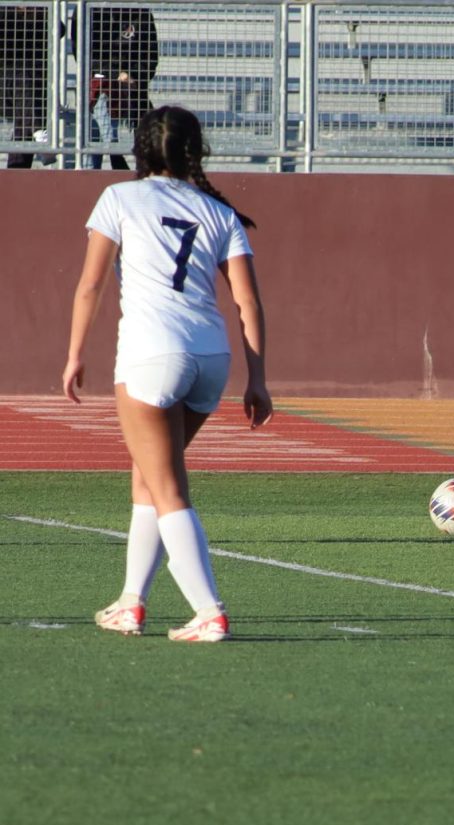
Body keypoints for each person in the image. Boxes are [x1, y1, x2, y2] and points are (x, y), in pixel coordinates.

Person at [62, 106, 271, 642]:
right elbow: (248, 303)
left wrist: (75, 354)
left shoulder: (119, 198)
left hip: (152, 356)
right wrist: (257, 379)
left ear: (141, 150)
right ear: (195, 152)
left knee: (169, 488)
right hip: (210, 361)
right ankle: (132, 601)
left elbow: (90, 285)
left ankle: (209, 611)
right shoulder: (218, 211)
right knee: (148, 479)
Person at [70, 5, 159, 170]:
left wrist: (133, 75)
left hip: (133, 85)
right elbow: (83, 54)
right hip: (99, 85)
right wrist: (114, 73)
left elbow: (150, 55)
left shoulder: (140, 12)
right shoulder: (86, 9)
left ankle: (145, 170)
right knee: (98, 128)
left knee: (148, 127)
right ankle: (99, 168)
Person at [1, 5, 52, 169]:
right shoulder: (5, 13)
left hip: (31, 90)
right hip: (5, 83)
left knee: (25, 112)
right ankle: (39, 131)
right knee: (23, 79)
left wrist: (38, 10)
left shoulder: (42, 12)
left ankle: (16, 171)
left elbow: (60, 28)